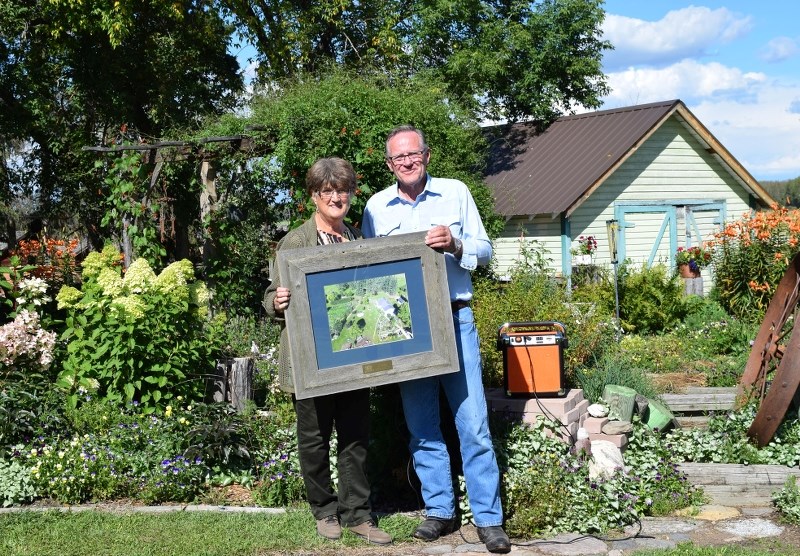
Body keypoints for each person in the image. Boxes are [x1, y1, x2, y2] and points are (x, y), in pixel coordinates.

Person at [361, 126, 511, 554]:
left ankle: (489, 519)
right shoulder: (376, 207)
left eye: (413, 154)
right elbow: (370, 272)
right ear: (389, 164)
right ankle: (439, 511)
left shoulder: (455, 193)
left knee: (474, 424)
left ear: (426, 154)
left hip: (454, 318)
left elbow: (484, 251)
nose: (406, 162)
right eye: (397, 158)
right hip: (406, 331)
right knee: (422, 426)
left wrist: (457, 243)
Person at [264, 157, 391, 546]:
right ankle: (324, 510)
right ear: (314, 196)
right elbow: (271, 294)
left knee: (355, 437)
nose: (337, 197)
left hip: (353, 355)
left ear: (352, 194)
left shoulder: (355, 238)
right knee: (315, 439)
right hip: (311, 359)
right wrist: (278, 301)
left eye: (343, 190)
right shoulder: (296, 242)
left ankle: (358, 514)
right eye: (328, 191)